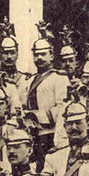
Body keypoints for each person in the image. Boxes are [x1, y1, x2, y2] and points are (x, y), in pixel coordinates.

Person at [21, 21, 69, 167]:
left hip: (50, 134)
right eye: (36, 55)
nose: (39, 58)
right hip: (32, 135)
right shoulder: (29, 80)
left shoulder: (60, 78)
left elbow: (63, 108)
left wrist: (38, 116)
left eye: (43, 54)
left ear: (52, 55)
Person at [0, 17, 31, 104]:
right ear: (0, 55)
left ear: (17, 54)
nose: (9, 57)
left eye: (12, 53)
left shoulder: (26, 79)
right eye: (5, 53)